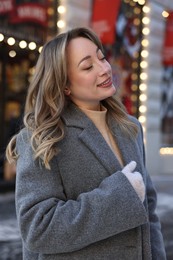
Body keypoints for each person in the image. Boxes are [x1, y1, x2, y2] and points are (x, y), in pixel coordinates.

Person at [6, 27, 166, 260]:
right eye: (88, 66)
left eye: (101, 57)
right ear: (64, 85)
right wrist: (118, 196)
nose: (104, 69)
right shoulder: (42, 138)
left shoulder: (129, 127)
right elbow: (38, 229)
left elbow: (148, 213)